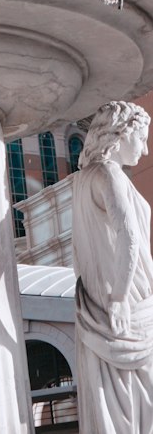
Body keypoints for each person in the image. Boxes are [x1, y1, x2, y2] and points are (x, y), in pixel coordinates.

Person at [73, 100, 153, 433]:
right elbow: (129, 238)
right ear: (120, 133)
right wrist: (120, 296)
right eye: (142, 137)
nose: (146, 149)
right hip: (127, 310)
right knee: (139, 405)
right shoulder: (108, 173)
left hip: (98, 307)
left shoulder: (81, 181)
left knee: (109, 401)